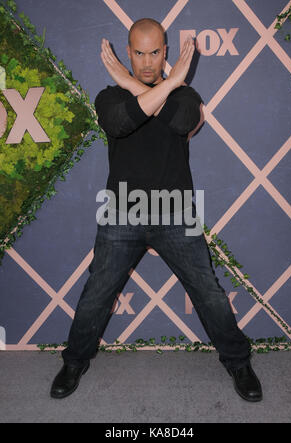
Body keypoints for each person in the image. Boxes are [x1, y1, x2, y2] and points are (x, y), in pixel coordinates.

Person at [50, 18, 262, 402]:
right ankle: (74, 361)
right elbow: (119, 123)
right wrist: (153, 84)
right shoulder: (110, 97)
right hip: (122, 213)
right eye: (139, 53)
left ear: (165, 51)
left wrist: (154, 86)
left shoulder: (185, 96)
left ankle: (238, 361)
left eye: (155, 52)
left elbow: (180, 121)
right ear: (127, 52)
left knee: (208, 292)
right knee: (97, 293)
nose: (147, 62)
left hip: (175, 212)